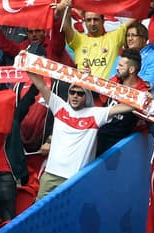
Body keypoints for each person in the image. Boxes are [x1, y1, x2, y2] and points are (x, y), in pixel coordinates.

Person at [26, 71, 134, 200]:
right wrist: (26, 66)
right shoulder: (60, 107)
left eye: (80, 93)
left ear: (86, 96)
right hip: (51, 175)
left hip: (76, 179)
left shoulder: (96, 114)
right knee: (41, 214)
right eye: (72, 92)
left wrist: (142, 99)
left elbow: (125, 107)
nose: (75, 96)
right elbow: (42, 86)